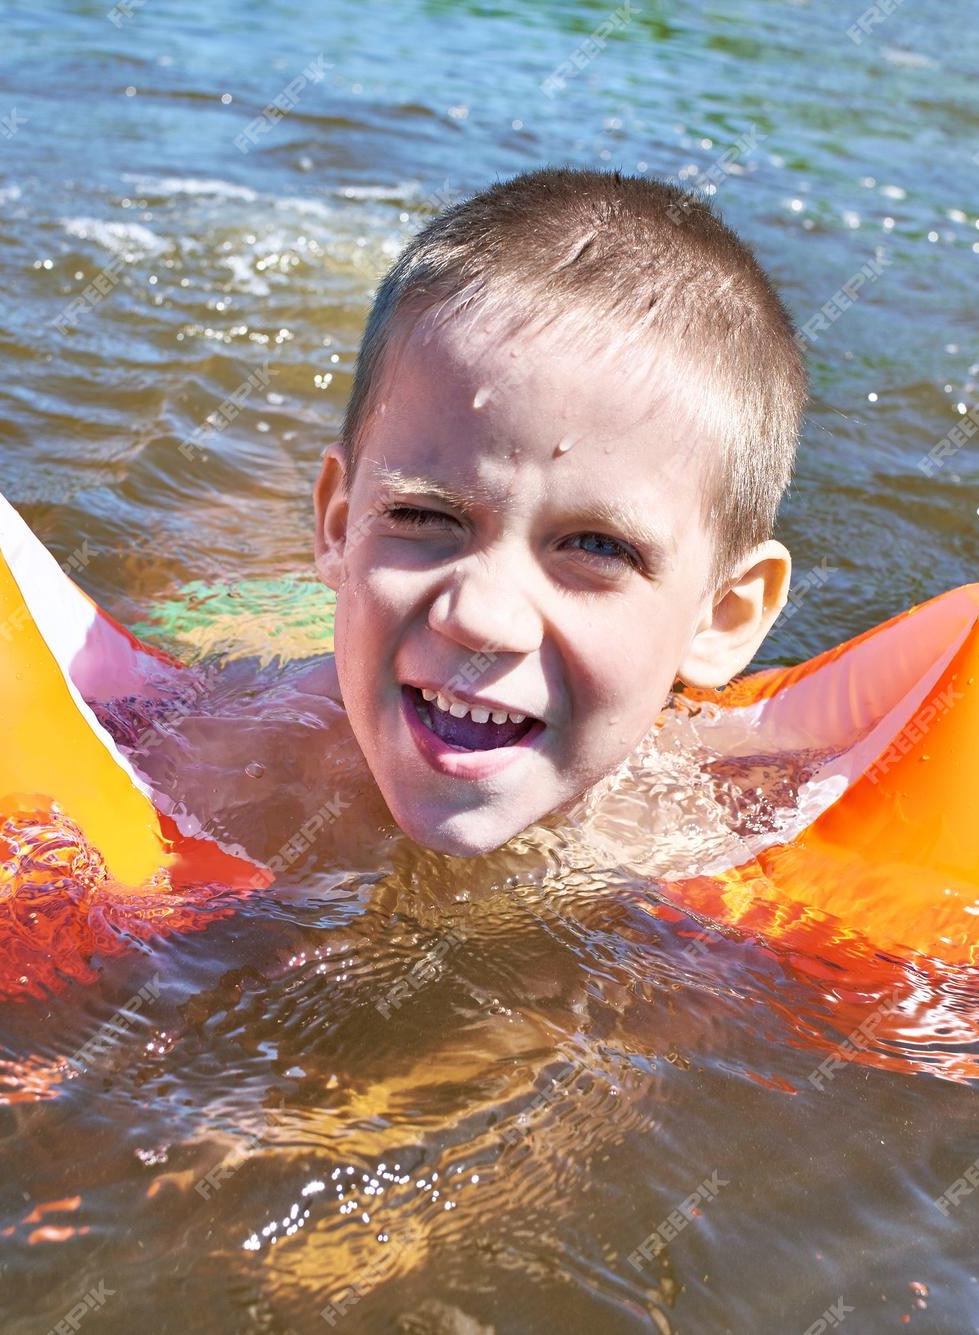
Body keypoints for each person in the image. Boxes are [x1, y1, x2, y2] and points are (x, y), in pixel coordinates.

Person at [295, 167, 809, 862]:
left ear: (723, 615)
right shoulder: (220, 769)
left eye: (596, 546)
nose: (479, 617)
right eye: (421, 516)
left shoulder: (729, 848)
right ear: (337, 524)